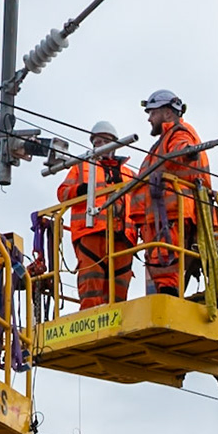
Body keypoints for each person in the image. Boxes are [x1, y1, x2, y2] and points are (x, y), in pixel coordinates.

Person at [129, 89, 208, 296]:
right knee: (161, 260)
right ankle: (167, 292)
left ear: (167, 113)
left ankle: (168, 293)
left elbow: (183, 150)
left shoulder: (179, 133)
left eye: (152, 113)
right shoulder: (162, 142)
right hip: (160, 215)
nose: (149, 118)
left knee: (165, 259)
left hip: (169, 213)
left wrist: (186, 152)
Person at [59, 121, 134, 309]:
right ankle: (90, 319)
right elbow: (62, 193)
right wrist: (79, 190)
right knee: (91, 282)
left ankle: (117, 320)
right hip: (91, 233)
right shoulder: (81, 167)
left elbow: (141, 203)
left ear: (115, 144)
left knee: (119, 290)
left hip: (123, 237)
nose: (100, 145)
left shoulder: (129, 174)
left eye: (104, 141)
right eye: (97, 142)